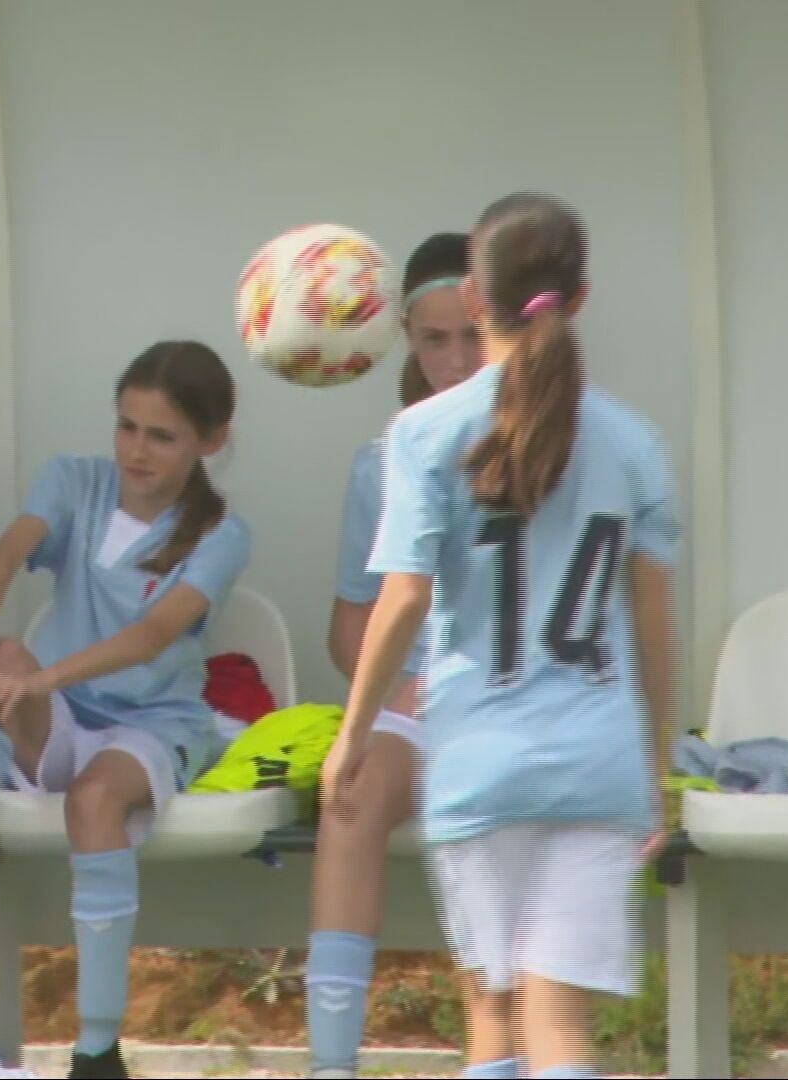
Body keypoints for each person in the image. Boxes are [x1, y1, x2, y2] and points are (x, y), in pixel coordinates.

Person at [325, 193, 678, 1080]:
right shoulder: (635, 443)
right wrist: (656, 763)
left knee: (493, 1012)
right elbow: (653, 625)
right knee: (558, 1024)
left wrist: (353, 734)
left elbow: (403, 600)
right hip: (598, 760)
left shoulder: (423, 433)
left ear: (476, 299)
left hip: (480, 759)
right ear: (581, 296)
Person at [0, 342, 251, 1080]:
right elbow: (1, 560)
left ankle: (97, 1047)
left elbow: (152, 635)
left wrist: (42, 682)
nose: (137, 450)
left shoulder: (223, 534)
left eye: (162, 436)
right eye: (126, 426)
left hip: (153, 726)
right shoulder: (73, 480)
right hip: (60, 710)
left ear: (211, 440)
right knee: (5, 652)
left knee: (94, 799)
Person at [306, 232, 481, 1080]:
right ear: (405, 339)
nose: (456, 360)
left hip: (513, 707)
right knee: (350, 793)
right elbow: (353, 627)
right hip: (422, 708)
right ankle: (331, 1062)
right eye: (434, 339)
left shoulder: (549, 447)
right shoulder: (382, 463)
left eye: (472, 336)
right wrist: (395, 694)